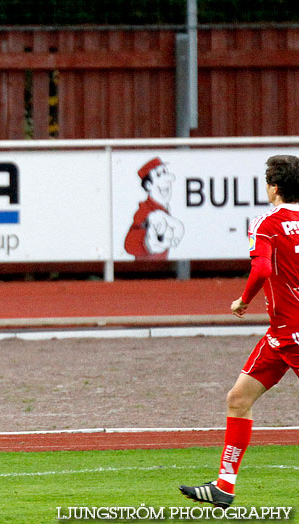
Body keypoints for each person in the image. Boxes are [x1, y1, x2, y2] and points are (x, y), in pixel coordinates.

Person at [180, 155, 299, 507]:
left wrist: (243, 300)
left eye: (267, 181)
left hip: (293, 332)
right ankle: (224, 486)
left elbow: (261, 269)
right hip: (279, 335)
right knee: (238, 399)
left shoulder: (266, 222)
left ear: (274, 187)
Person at [124, 157, 184, 260]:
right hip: (147, 271)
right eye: (159, 175)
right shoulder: (145, 211)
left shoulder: (164, 208)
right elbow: (129, 244)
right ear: (149, 185)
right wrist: (148, 240)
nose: (166, 183)